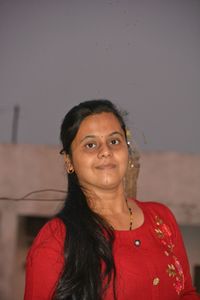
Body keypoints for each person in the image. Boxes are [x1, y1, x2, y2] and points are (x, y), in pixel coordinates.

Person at [24, 99, 199, 300]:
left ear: (127, 148)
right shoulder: (56, 239)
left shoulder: (162, 218)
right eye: (90, 145)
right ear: (69, 161)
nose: (105, 151)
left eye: (114, 141)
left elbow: (187, 293)